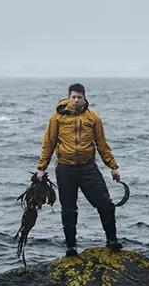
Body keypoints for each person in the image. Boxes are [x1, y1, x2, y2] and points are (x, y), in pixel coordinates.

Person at [36, 83, 122, 257]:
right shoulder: (57, 118)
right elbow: (49, 144)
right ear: (68, 97)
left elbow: (102, 145)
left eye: (79, 97)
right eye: (73, 97)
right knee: (68, 210)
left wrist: (113, 167)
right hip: (65, 169)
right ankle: (71, 247)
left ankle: (111, 240)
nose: (76, 100)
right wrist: (41, 168)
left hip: (88, 168)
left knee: (106, 205)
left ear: (84, 98)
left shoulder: (93, 118)